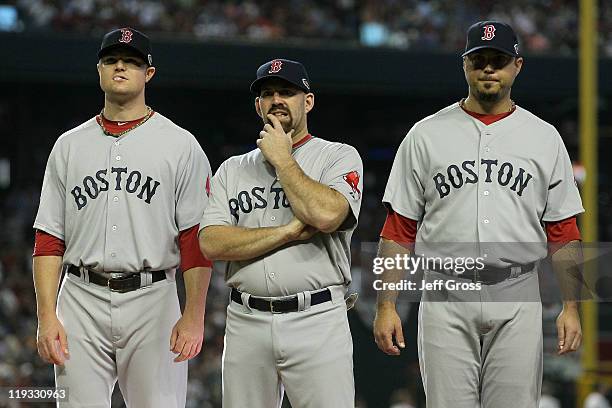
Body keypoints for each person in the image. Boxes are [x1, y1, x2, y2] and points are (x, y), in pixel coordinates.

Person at [373, 21, 584, 407]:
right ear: (465, 66)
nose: (489, 68)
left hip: (517, 291)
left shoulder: (544, 136)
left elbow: (564, 230)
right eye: (480, 59)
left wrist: (572, 307)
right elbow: (398, 228)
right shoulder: (425, 134)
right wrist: (386, 304)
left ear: (516, 66)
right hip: (445, 291)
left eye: (498, 60)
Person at [32, 27, 213, 408]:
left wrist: (194, 315)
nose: (120, 67)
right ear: (98, 70)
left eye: (131, 62)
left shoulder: (181, 144)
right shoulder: (69, 146)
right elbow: (49, 239)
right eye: (112, 60)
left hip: (153, 299)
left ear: (148, 74)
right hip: (80, 297)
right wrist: (46, 316)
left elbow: (195, 240)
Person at [199, 58, 363, 408]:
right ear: (257, 105)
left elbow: (326, 215)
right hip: (246, 320)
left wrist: (284, 160)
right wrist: (288, 232)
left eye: (287, 92)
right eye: (268, 93)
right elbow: (211, 242)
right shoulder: (233, 168)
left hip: (317, 318)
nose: (276, 100)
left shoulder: (338, 156)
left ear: (308, 101)